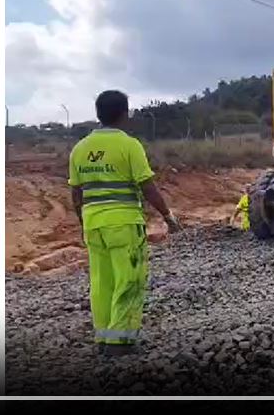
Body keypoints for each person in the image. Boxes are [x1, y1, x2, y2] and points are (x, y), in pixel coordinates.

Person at [68, 90, 182, 356]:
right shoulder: (129, 145)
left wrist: (83, 219)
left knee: (101, 281)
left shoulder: (80, 149)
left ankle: (103, 336)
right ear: (124, 113)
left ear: (98, 114)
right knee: (128, 279)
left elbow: (76, 192)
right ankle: (119, 342)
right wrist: (168, 216)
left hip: (93, 223)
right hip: (123, 223)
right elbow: (147, 186)